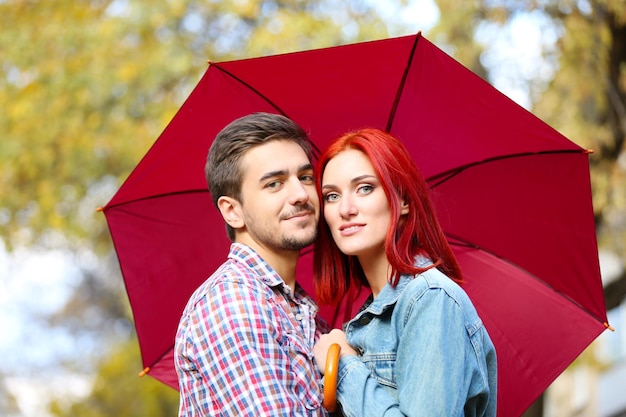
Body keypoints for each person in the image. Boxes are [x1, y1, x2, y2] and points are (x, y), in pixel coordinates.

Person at [312, 128, 497, 417]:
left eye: (365, 188)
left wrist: (343, 367)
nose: (345, 209)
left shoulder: (430, 299)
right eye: (332, 196)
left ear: (404, 202)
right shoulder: (369, 318)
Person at [174, 112, 329, 416]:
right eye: (274, 184)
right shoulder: (234, 302)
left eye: (306, 177)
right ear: (233, 211)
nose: (300, 194)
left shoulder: (297, 308)